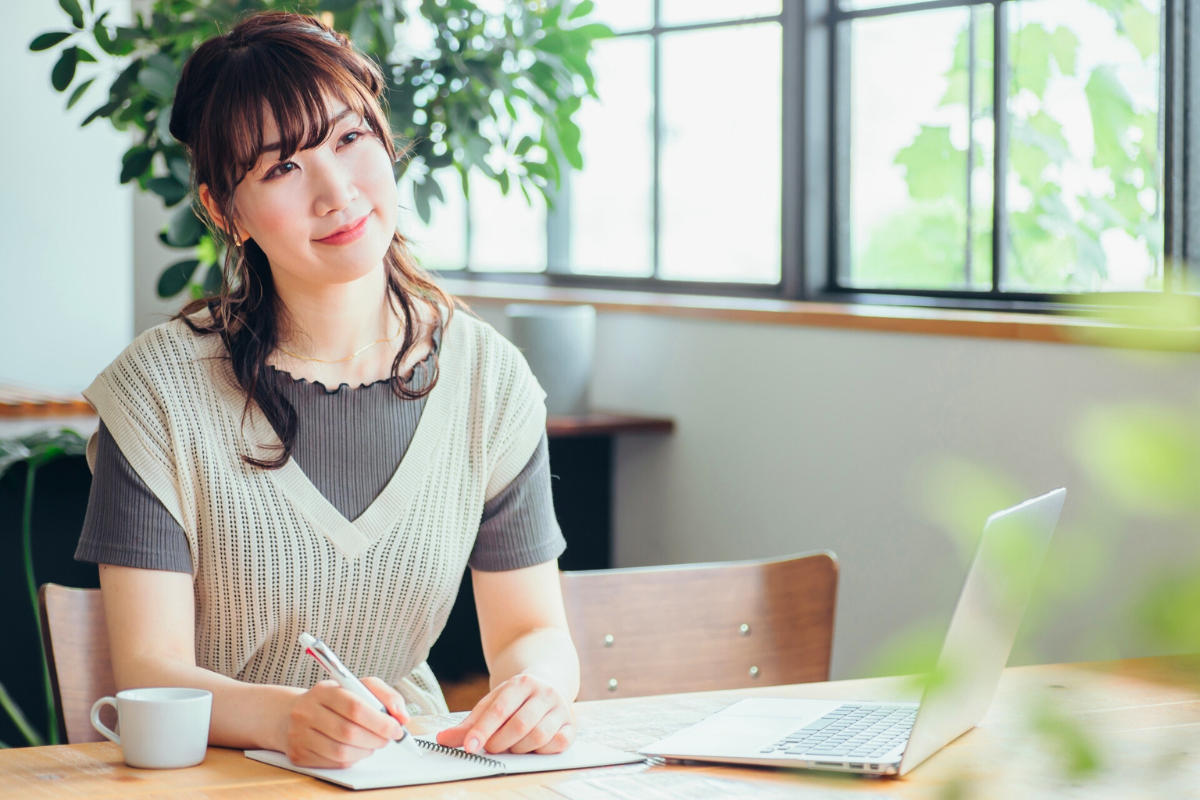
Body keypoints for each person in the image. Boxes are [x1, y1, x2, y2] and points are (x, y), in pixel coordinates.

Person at [74, 11, 579, 769]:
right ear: (223, 209)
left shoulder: (490, 379)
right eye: (282, 168)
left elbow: (529, 631)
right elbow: (150, 669)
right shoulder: (158, 392)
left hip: (409, 771)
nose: (336, 191)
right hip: (217, 779)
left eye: (350, 140)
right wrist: (288, 721)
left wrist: (537, 687)